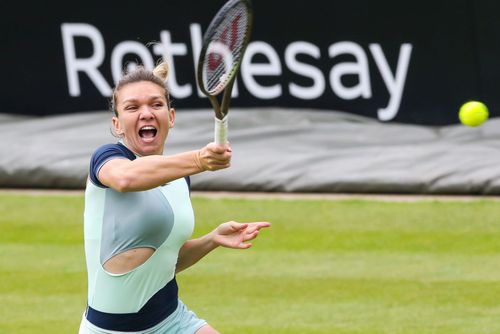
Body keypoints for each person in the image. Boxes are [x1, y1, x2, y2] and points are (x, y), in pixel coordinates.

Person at [79, 61, 270, 334]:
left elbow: (165, 263)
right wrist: (199, 159)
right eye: (132, 107)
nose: (146, 113)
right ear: (117, 124)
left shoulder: (180, 178)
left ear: (171, 116)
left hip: (173, 321)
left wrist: (212, 239)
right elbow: (126, 178)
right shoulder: (107, 159)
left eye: (155, 105)